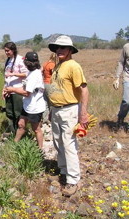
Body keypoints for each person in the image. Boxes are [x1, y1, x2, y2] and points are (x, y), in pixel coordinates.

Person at [47, 35, 89, 197]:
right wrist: (52, 110)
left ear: (70, 50)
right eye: (57, 48)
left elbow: (84, 90)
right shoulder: (58, 67)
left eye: (63, 48)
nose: (59, 50)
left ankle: (73, 180)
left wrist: (83, 113)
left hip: (70, 110)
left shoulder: (73, 66)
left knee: (69, 144)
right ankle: (63, 171)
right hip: (57, 110)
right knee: (58, 142)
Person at [4, 52, 46, 149]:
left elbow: (27, 93)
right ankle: (15, 144)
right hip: (27, 105)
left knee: (36, 129)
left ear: (28, 62)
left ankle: (40, 149)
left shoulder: (35, 75)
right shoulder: (31, 72)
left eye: (25, 61)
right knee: (21, 124)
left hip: (35, 107)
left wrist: (12, 89)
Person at [2, 42, 29, 134]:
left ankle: (21, 133)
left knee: (18, 113)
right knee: (9, 112)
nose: (6, 53)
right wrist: (4, 89)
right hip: (8, 90)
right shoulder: (8, 60)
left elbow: (26, 73)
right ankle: (13, 132)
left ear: (13, 50)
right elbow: (6, 77)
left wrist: (14, 74)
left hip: (18, 90)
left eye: (8, 51)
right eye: (5, 51)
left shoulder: (20, 59)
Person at [113, 41, 129, 130]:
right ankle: (120, 119)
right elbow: (121, 62)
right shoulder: (126, 47)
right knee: (126, 101)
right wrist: (117, 78)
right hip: (127, 77)